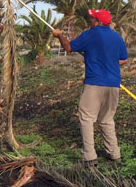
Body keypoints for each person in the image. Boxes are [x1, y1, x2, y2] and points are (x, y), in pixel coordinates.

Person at [52, 9, 128, 166]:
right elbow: (123, 60)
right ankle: (114, 154)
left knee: (86, 118)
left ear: (99, 22)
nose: (90, 20)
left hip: (95, 83)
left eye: (93, 18)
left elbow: (68, 48)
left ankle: (90, 157)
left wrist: (59, 35)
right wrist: (105, 59)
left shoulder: (90, 34)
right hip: (114, 85)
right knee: (107, 119)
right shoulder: (117, 37)